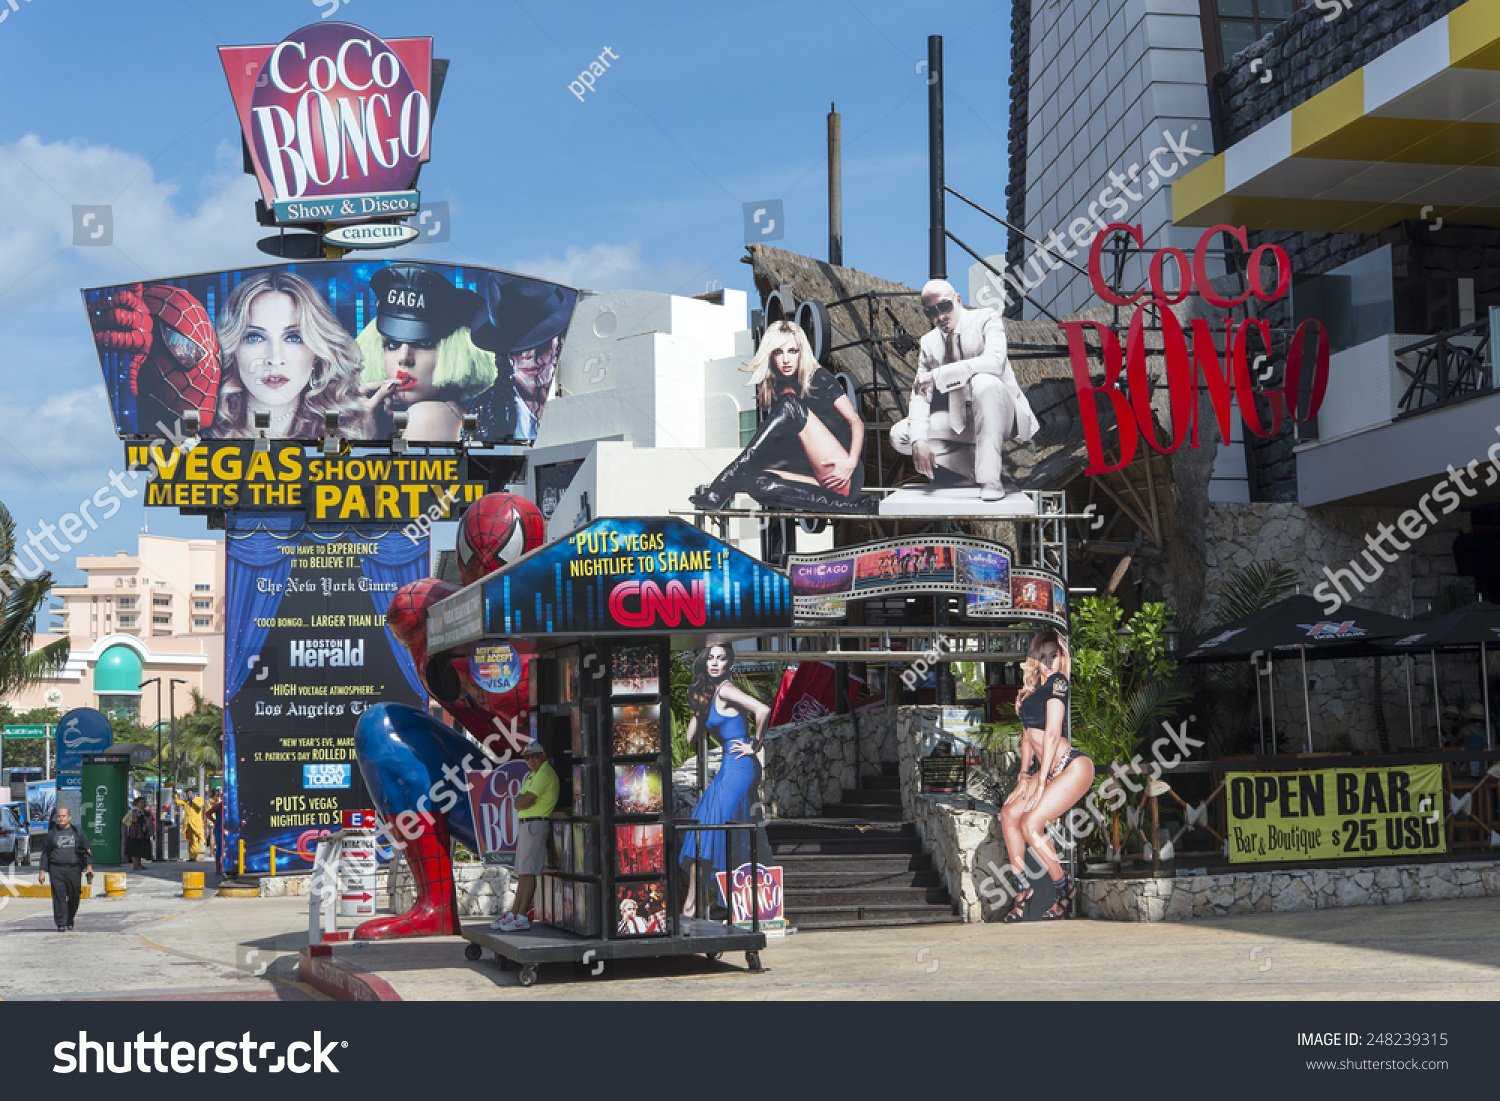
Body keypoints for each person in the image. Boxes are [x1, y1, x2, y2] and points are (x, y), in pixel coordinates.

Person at [690, 321, 877, 514]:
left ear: (802, 352)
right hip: (814, 479)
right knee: (754, 481)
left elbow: (856, 421)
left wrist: (850, 463)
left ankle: (719, 489)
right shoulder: (774, 387)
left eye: (793, 351)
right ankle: (848, 505)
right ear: (770, 355)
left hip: (841, 471)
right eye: (778, 352)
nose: (786, 359)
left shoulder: (819, 377)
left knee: (791, 405)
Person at [890, 279, 1039, 501]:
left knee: (984, 382)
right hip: (960, 420)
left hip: (1001, 415)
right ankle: (972, 467)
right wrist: (919, 441)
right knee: (901, 435)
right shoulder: (929, 343)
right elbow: (920, 395)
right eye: (930, 311)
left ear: (958, 300)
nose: (939, 316)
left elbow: (995, 361)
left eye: (944, 306)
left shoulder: (986, 318)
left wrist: (941, 375)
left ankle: (991, 480)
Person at [212, 270, 376, 439]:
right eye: (255, 337)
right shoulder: (202, 430)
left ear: (317, 354)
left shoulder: (350, 431)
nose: (274, 359)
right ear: (233, 351)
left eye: (293, 338)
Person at [999, 630, 1093, 920]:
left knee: (1031, 824)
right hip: (1045, 770)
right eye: (1043, 656)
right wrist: (1023, 775)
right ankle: (1023, 886)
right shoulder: (1032, 692)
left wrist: (1041, 783)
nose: (1049, 661)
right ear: (1035, 661)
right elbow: (1028, 737)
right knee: (1008, 814)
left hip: (1070, 766)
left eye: (1054, 655)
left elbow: (1052, 734)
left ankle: (1063, 887)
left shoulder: (1059, 682)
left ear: (1062, 656)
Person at [678, 644, 771, 917]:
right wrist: (699, 707)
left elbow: (762, 710)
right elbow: (689, 738)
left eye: (721, 658)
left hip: (740, 765)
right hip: (729, 768)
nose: (715, 663)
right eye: (710, 658)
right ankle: (697, 903)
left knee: (715, 829)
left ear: (729, 663)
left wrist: (755, 744)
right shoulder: (711, 692)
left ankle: (711, 903)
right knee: (703, 829)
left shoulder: (728, 689)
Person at [357, 263, 492, 442]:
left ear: (455, 352)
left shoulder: (427, 415)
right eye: (393, 344)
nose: (404, 358)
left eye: (424, 343)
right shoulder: (429, 413)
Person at [471, 273, 578, 442]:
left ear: (558, 342)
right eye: (518, 348)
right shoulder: (479, 409)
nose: (529, 356)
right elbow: (468, 451)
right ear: (506, 355)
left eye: (540, 344)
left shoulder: (580, 397)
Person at [491, 740, 558, 932]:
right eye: (527, 757)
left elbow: (523, 801)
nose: (530, 760)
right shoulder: (532, 775)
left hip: (535, 824)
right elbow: (519, 802)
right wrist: (521, 801)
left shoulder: (544, 774)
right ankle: (514, 913)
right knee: (523, 873)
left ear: (542, 756)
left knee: (528, 873)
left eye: (534, 756)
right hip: (527, 824)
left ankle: (521, 916)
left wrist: (521, 801)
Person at [38, 806, 92, 932]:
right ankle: (61, 922)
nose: (61, 819)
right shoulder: (52, 834)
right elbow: (45, 853)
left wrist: (89, 867)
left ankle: (69, 918)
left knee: (75, 896)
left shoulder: (78, 833)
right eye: (59, 816)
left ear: (69, 817)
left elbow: (86, 852)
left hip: (74, 869)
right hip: (56, 869)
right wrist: (42, 871)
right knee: (58, 896)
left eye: (63, 816)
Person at [173, 786, 206, 862]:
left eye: (190, 793)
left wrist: (193, 799)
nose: (188, 795)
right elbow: (177, 802)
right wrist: (175, 795)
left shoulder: (198, 799)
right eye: (187, 794)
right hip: (188, 824)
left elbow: (200, 805)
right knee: (190, 841)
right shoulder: (186, 802)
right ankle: (191, 856)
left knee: (195, 840)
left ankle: (194, 856)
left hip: (196, 824)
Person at [122, 796, 153, 870]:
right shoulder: (135, 810)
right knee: (134, 849)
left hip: (140, 832)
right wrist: (140, 832)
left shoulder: (142, 810)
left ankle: (139, 864)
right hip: (135, 833)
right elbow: (135, 821)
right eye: (141, 802)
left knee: (139, 849)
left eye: (143, 802)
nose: (143, 803)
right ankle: (136, 865)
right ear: (137, 803)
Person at [1462, 702, 1491, 778]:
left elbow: (1454, 740)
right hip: (1487, 767)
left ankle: (1454, 788)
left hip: (1470, 768)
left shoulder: (1465, 730)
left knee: (1454, 769)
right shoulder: (1489, 730)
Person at [204, 790, 223, 860]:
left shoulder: (208, 801)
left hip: (211, 820)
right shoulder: (219, 802)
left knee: (212, 835)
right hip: (217, 820)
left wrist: (205, 821)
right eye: (217, 795)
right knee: (213, 837)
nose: (217, 797)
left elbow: (206, 812)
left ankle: (211, 852)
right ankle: (213, 850)